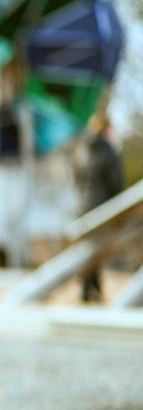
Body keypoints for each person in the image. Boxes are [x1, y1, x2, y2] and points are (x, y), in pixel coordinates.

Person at [78, 113, 126, 303]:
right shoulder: (108, 151)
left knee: (90, 249)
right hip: (103, 207)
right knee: (97, 250)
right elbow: (116, 182)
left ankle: (90, 288)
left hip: (84, 207)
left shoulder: (82, 150)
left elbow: (77, 180)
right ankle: (91, 289)